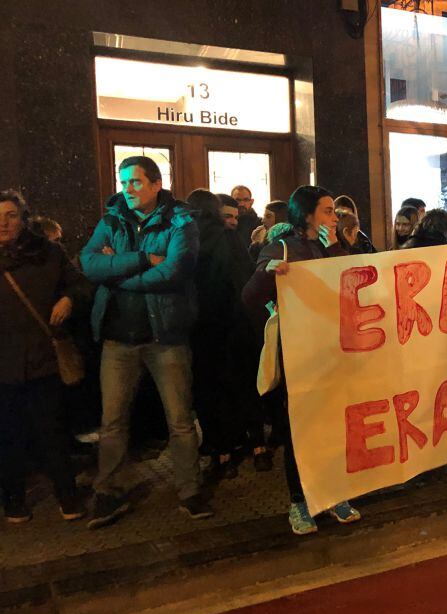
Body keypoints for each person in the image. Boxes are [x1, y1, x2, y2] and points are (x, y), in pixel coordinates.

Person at [80, 156, 211, 528]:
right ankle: (109, 492)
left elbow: (174, 271)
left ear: (156, 184)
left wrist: (117, 272)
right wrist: (141, 258)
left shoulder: (180, 221)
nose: (128, 189)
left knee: (180, 420)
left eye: (135, 182)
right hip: (117, 340)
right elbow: (88, 263)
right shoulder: (111, 219)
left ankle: (189, 490)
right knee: (112, 422)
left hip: (165, 336)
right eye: (124, 182)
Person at [242, 185, 363, 535]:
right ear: (307, 215)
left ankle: (333, 493)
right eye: (327, 211)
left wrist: (335, 247)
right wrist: (269, 273)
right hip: (298, 352)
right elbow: (249, 297)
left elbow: (351, 283)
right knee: (300, 428)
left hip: (332, 349)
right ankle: (300, 500)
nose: (334, 218)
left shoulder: (332, 246)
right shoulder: (281, 247)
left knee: (334, 424)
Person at [0, 189, 89, 523]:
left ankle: (68, 496)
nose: (3, 223)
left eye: (10, 215)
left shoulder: (48, 253)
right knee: (8, 436)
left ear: (23, 219)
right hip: (3, 364)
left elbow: (80, 285)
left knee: (52, 432)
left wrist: (68, 299)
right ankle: (13, 500)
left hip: (43, 358)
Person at [188, 189, 260, 479]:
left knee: (207, 388)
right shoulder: (228, 239)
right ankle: (251, 444)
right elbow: (245, 280)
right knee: (238, 383)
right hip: (232, 324)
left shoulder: (182, 239)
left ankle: (220, 450)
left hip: (198, 326)